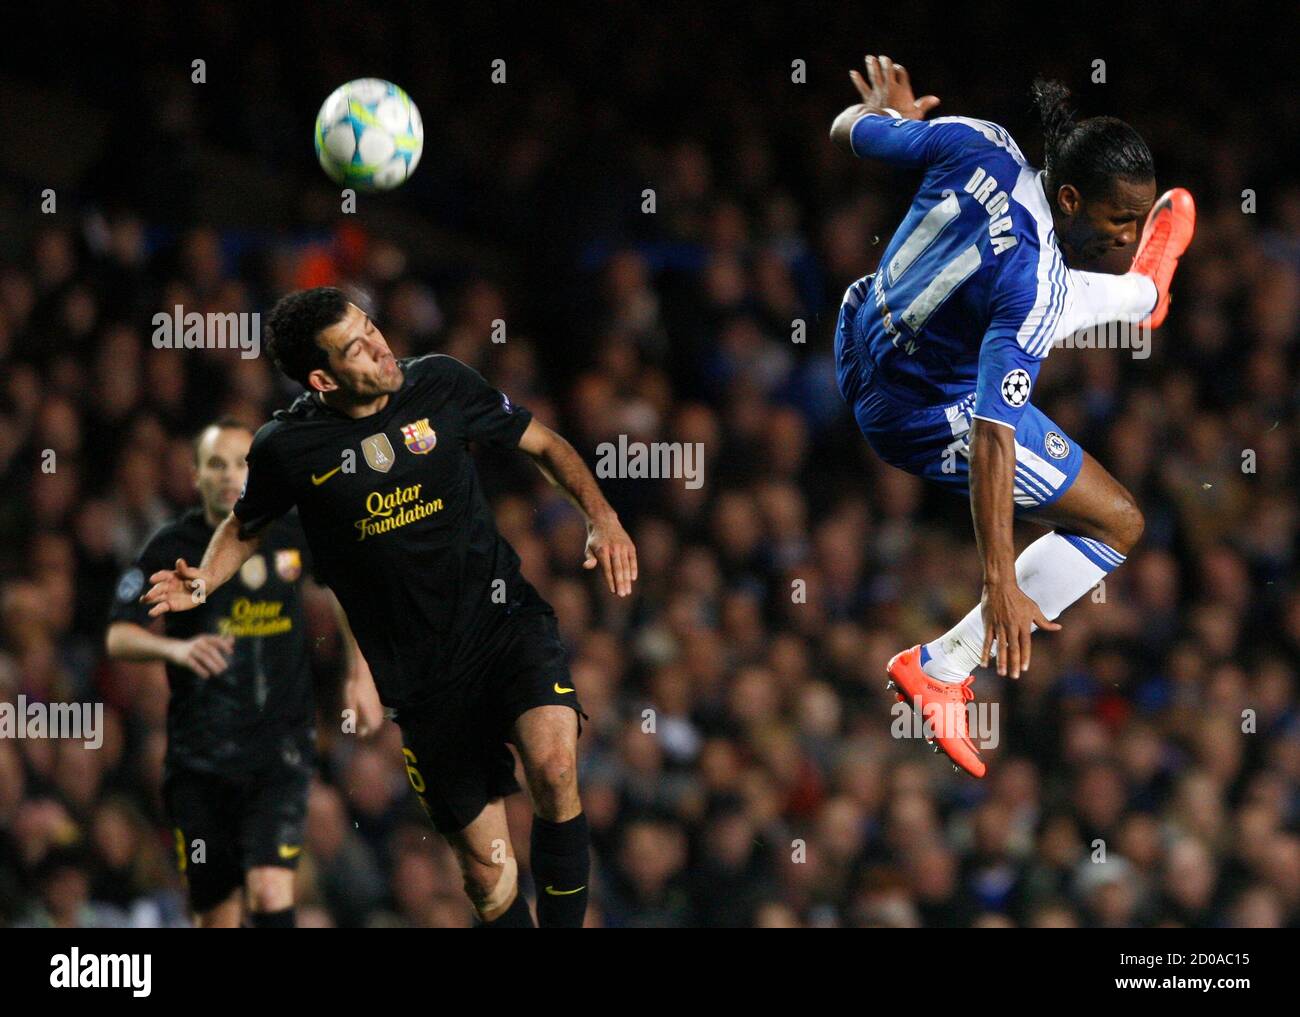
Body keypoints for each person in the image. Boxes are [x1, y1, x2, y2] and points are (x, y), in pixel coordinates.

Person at [142, 288, 638, 927]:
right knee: (489, 877)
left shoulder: (442, 384)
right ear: (322, 377)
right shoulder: (289, 447)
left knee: (555, 764)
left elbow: (542, 442)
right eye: (356, 346)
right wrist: (204, 581)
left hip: (504, 625)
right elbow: (246, 524)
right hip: (424, 683)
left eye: (371, 327)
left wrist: (601, 516)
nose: (379, 345)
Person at [829, 54, 1195, 776]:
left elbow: (846, 126)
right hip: (920, 413)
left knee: (1045, 301)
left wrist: (893, 120)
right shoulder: (1032, 290)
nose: (1125, 234)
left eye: (1135, 220)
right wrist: (1001, 577)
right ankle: (943, 664)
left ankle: (1145, 299)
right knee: (1119, 521)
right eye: (1118, 220)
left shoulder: (976, 140)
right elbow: (993, 435)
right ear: (1067, 196)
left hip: (858, 330)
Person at [107, 418, 317, 927]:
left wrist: (359, 676)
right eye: (216, 464)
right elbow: (118, 636)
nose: (229, 476)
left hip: (278, 753)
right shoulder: (169, 545)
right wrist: (176, 652)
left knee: (270, 891)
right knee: (217, 913)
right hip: (201, 761)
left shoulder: (291, 531)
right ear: (196, 475)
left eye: (243, 463)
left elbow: (346, 589)